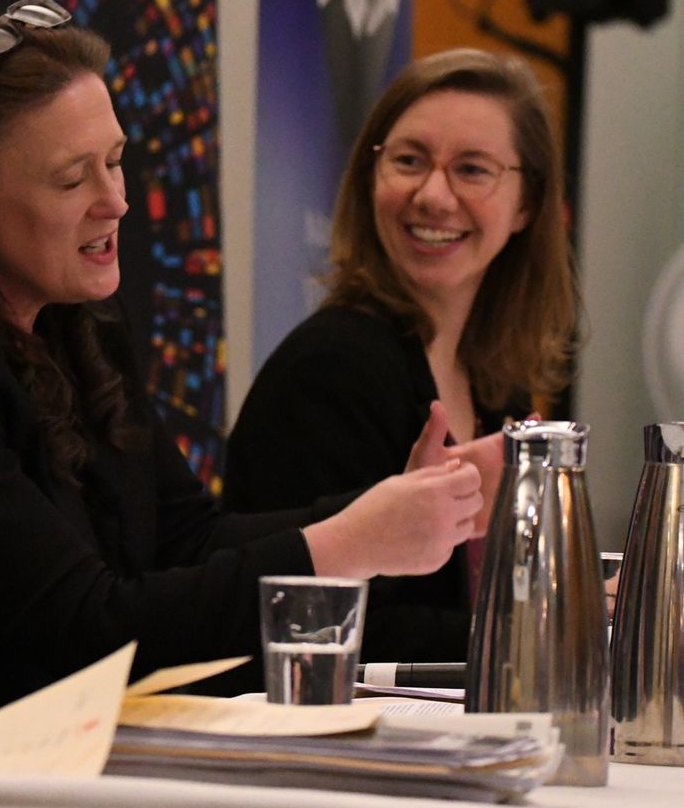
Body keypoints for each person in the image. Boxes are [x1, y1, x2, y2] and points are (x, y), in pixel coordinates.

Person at [0, 0, 486, 729]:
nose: (116, 203)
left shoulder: (80, 325)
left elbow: (184, 539)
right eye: (73, 180)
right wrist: (347, 544)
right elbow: (86, 629)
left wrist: (388, 510)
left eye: (115, 161)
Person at [224, 48, 578, 662]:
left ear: (526, 205)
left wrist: (602, 602)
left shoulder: (494, 377)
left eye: (472, 170)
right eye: (410, 161)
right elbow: (328, 628)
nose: (433, 196)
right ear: (371, 177)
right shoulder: (333, 367)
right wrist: (560, 631)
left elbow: (486, 599)